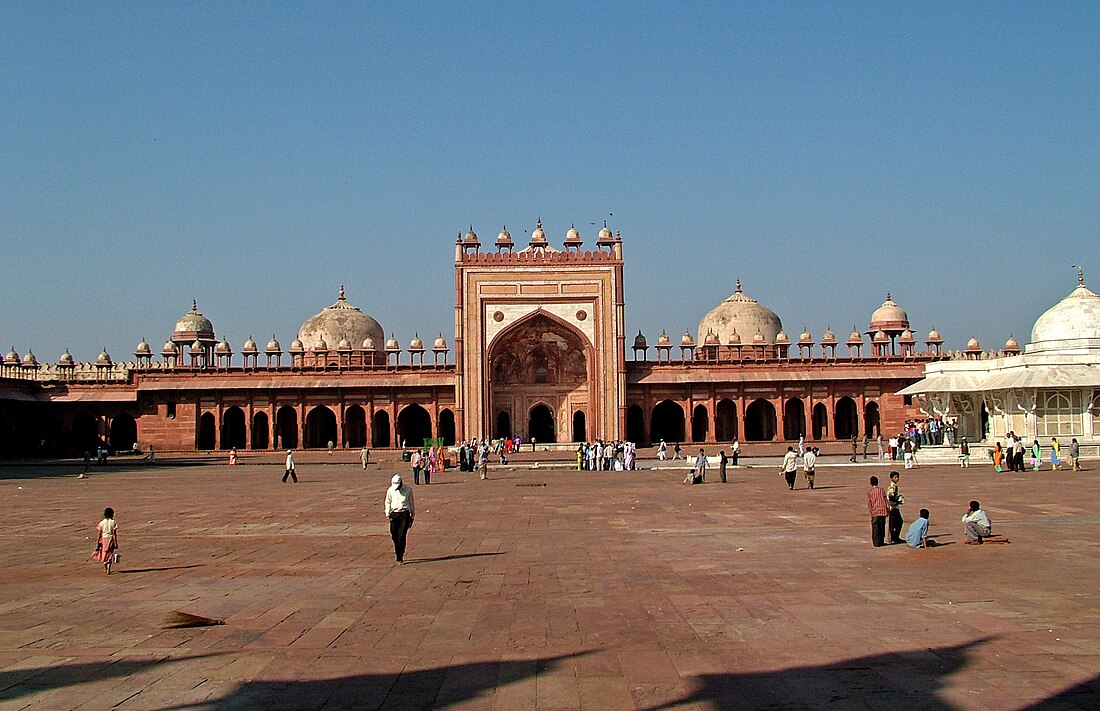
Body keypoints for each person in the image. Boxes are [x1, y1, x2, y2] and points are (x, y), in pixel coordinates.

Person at [385, 474, 415, 563]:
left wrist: (412, 516)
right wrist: (388, 513)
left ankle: (400, 555)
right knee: (394, 534)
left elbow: (411, 503)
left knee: (402, 535)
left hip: (404, 514)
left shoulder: (408, 490)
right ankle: (397, 551)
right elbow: (387, 502)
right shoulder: (390, 490)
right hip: (394, 514)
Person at [90, 507, 119, 574]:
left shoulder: (102, 523)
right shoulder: (113, 522)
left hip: (103, 539)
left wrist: (97, 542)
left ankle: (106, 567)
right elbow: (115, 534)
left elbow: (99, 534)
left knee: (104, 553)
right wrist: (116, 542)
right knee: (110, 554)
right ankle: (108, 569)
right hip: (110, 539)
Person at [867, 476, 889, 547]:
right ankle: (881, 541)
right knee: (882, 527)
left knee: (875, 528)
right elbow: (885, 500)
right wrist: (887, 509)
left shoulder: (870, 492)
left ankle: (876, 542)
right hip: (882, 511)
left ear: (870, 483)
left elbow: (870, 503)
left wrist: (871, 511)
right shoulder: (881, 490)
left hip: (875, 512)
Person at [886, 471, 904, 544]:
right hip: (892, 507)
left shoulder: (894, 485)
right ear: (891, 478)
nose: (897, 479)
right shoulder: (892, 486)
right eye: (895, 477)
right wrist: (897, 500)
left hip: (895, 506)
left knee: (898, 522)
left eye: (897, 477)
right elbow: (890, 496)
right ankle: (891, 538)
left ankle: (895, 537)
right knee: (894, 523)